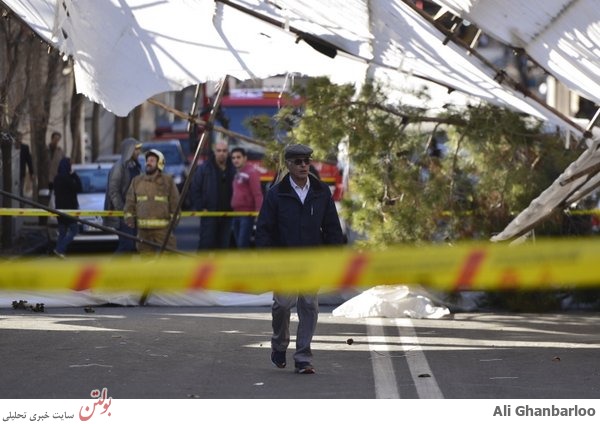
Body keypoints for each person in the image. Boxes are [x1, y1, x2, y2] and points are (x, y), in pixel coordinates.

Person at [255, 143, 345, 374]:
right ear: (288, 165)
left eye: (307, 161)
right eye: (298, 162)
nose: (304, 165)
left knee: (308, 306)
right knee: (283, 305)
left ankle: (303, 357)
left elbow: (332, 227)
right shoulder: (277, 193)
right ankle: (279, 345)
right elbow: (264, 229)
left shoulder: (320, 191)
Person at [124, 149, 180, 254]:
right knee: (146, 259)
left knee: (170, 256)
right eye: (148, 160)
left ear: (159, 164)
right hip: (143, 231)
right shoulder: (137, 181)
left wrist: (174, 222)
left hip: (163, 230)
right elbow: (130, 201)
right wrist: (129, 218)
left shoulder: (167, 181)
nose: (148, 163)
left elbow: (175, 203)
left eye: (152, 160)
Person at [190, 139, 236, 250]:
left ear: (228, 152)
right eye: (219, 150)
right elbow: (194, 189)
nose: (221, 153)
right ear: (214, 152)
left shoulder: (233, 169)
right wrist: (201, 207)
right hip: (209, 213)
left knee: (224, 246)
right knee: (205, 245)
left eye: (224, 151)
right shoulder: (204, 169)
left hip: (228, 215)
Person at [104, 138, 143, 253]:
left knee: (133, 247)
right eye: (136, 149)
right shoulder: (119, 167)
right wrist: (122, 210)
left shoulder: (136, 167)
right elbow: (113, 191)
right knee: (126, 245)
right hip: (123, 215)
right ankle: (111, 270)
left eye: (139, 149)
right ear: (129, 150)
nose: (138, 152)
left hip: (134, 213)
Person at [230, 147, 263, 248]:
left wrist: (258, 213)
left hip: (247, 214)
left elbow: (258, 194)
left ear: (245, 158)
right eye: (233, 158)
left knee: (242, 244)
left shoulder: (251, 172)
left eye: (238, 157)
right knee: (238, 244)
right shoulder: (237, 173)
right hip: (236, 213)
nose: (236, 160)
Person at [52, 157, 82, 258]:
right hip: (70, 210)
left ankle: (59, 251)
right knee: (74, 230)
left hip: (59, 210)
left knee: (62, 232)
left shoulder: (56, 178)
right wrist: (74, 175)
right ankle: (60, 249)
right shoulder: (68, 179)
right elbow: (79, 188)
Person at [14, 132, 34, 198]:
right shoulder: (10, 147)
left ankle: (21, 205)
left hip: (21, 172)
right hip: (11, 172)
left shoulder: (25, 148)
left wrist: (31, 173)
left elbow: (29, 160)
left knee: (20, 190)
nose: (18, 139)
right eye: (16, 138)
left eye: (19, 137)